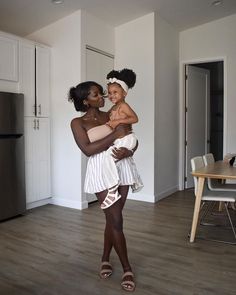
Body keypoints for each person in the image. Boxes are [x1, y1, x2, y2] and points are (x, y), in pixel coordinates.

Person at [68, 80, 140, 292]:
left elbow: (131, 136)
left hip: (122, 166)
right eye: (97, 95)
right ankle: (127, 268)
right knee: (116, 219)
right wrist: (113, 136)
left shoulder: (112, 113)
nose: (103, 97)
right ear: (85, 100)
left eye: (102, 94)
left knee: (112, 219)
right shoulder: (77, 122)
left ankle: (105, 258)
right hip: (100, 170)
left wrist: (130, 151)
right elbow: (88, 150)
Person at [100, 68, 143, 210]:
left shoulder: (123, 106)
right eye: (109, 93)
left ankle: (112, 191)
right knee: (112, 160)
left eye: (115, 92)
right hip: (120, 139)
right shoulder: (113, 108)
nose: (111, 95)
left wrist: (117, 122)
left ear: (124, 93)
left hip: (128, 138)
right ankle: (117, 186)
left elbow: (135, 118)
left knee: (109, 158)